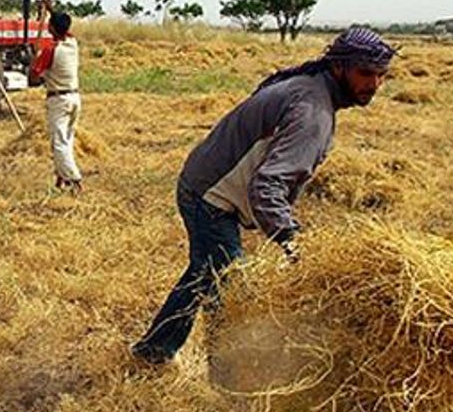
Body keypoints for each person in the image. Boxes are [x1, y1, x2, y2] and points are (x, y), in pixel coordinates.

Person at [129, 27, 396, 366]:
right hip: (211, 197)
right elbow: (267, 185)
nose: (373, 85)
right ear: (339, 67)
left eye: (380, 76)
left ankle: (153, 351)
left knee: (204, 275)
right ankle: (228, 377)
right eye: (365, 74)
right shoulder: (313, 110)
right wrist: (292, 241)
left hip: (202, 180)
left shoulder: (310, 88)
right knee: (229, 292)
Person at [30, 11, 83, 192]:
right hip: (75, 97)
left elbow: (33, 79)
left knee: (59, 143)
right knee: (67, 141)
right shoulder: (72, 44)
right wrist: (50, 8)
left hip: (58, 100)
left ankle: (74, 180)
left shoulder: (51, 50)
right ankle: (61, 180)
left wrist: (34, 60)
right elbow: (62, 28)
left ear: (50, 27)